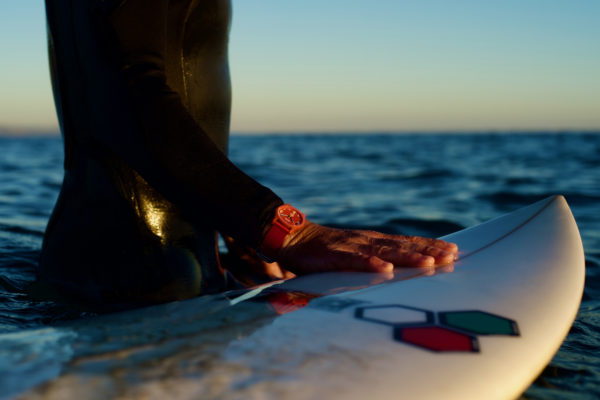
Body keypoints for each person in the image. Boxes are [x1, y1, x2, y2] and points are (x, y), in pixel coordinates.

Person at [38, 0, 457, 306]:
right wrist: (282, 231)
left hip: (165, 268)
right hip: (135, 279)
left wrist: (236, 230)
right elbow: (123, 94)